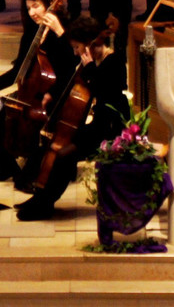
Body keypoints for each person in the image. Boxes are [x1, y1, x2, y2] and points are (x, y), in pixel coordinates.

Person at [14, 15, 130, 221]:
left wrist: (91, 69)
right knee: (49, 147)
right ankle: (41, 197)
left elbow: (107, 94)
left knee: (64, 154)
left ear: (89, 44)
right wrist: (53, 94)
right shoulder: (90, 62)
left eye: (77, 47)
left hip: (110, 128)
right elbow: (73, 83)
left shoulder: (115, 60)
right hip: (97, 124)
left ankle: (45, 203)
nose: (75, 52)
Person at [0, 0, 76, 186]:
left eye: (36, 6)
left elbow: (72, 66)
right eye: (28, 8)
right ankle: (5, 164)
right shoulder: (31, 33)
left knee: (27, 117)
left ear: (50, 4)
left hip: (56, 95)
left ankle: (35, 163)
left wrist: (59, 31)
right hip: (32, 94)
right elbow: (17, 72)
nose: (31, 13)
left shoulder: (66, 29)